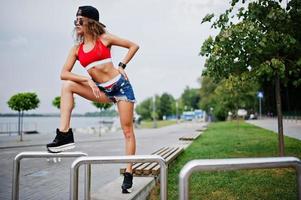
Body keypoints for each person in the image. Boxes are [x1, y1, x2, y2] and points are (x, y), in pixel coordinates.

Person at [46, 5, 139, 193]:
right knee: (67, 85)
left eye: (80, 20)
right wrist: (87, 79)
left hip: (121, 89)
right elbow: (64, 73)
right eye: (76, 21)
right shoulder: (76, 50)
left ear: (90, 22)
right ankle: (64, 134)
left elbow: (133, 46)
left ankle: (129, 172)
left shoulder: (105, 39)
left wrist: (122, 65)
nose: (77, 24)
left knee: (127, 131)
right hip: (101, 91)